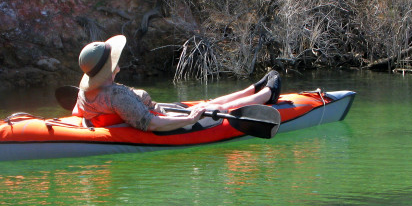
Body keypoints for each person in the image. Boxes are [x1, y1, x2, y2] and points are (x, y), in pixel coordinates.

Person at [74, 35, 281, 132]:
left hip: (161, 111)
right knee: (213, 108)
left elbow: (78, 112)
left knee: (207, 104)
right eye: (114, 63)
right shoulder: (116, 96)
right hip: (164, 122)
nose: (117, 65)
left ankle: (252, 89)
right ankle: (265, 95)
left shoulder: (84, 93)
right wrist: (189, 120)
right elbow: (150, 123)